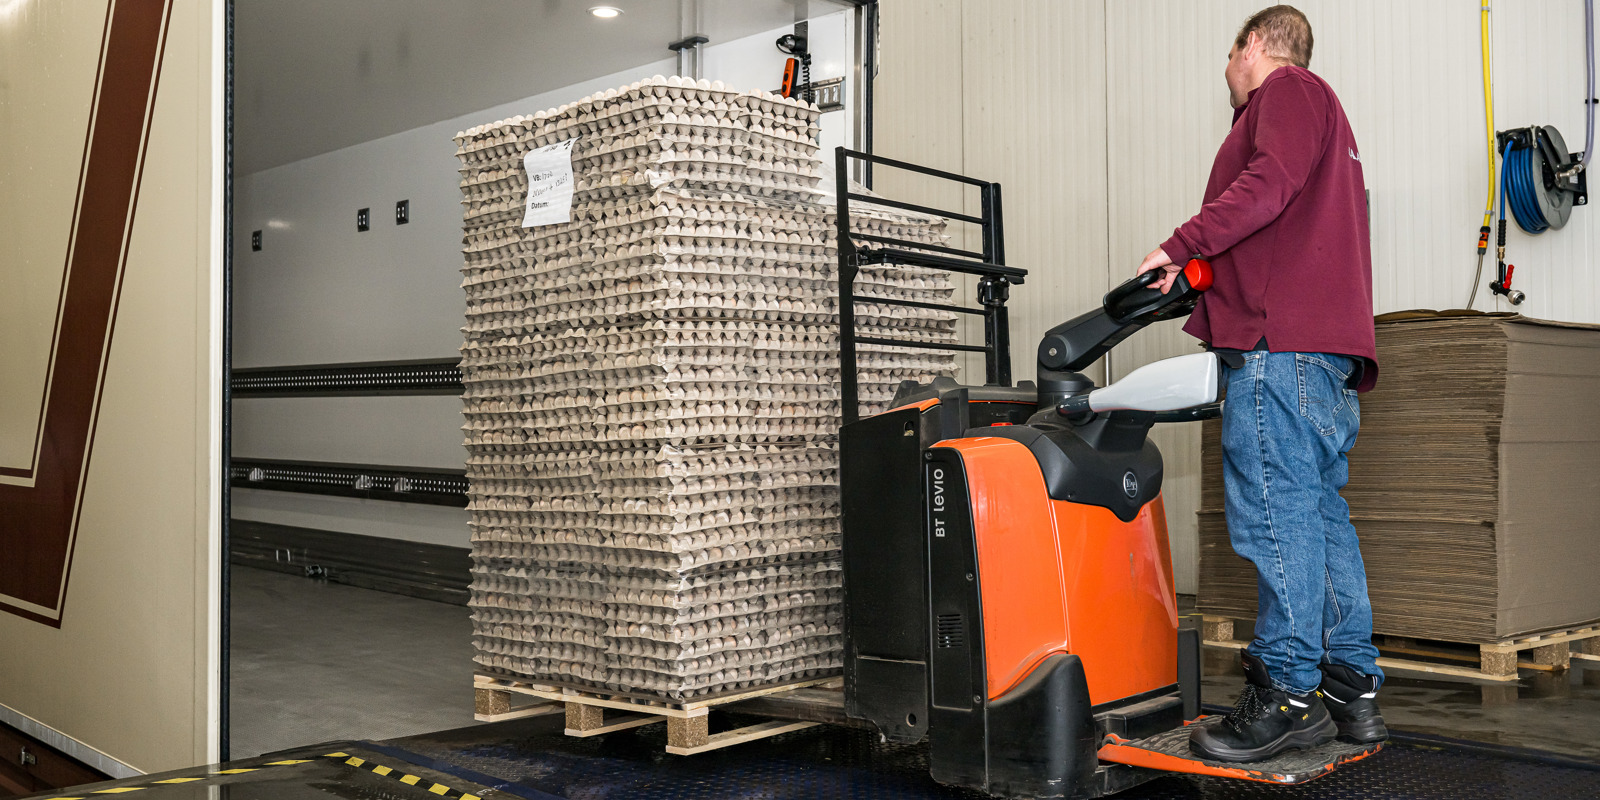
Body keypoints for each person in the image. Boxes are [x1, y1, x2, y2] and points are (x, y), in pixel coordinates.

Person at [1135, 5, 1387, 763]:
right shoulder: (1326, 119)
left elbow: (1267, 185)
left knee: (1275, 518)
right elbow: (1282, 219)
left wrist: (1181, 244)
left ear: (1251, 45)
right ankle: (1349, 687)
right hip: (1322, 356)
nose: (1228, 75)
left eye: (1229, 56)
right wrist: (1203, 277)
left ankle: (1286, 694)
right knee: (1318, 518)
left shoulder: (1288, 91)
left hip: (1281, 353)